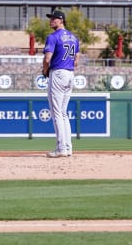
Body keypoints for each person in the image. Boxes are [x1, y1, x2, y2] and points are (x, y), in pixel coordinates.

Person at [42, 10, 80, 158]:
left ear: (61, 20)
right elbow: (76, 60)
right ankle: (68, 148)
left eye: (53, 18)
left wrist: (45, 70)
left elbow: (47, 59)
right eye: (50, 18)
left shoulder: (53, 37)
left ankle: (61, 148)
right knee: (63, 113)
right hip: (70, 74)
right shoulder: (73, 38)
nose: (51, 20)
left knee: (57, 113)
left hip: (58, 73)